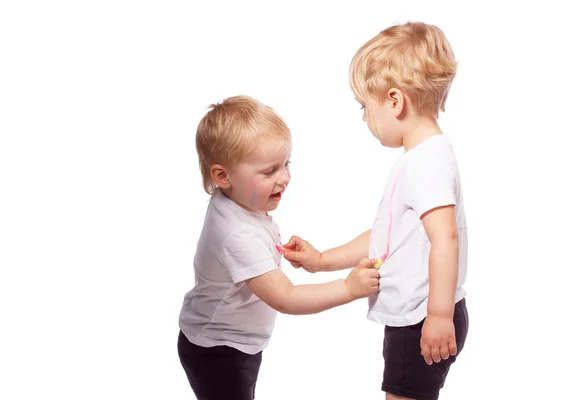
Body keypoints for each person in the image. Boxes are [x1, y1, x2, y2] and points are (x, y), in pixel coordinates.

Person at [283, 22, 469, 400]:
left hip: (420, 319)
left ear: (395, 101)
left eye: (365, 107)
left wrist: (438, 316)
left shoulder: (424, 164)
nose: (365, 118)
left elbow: (445, 239)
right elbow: (384, 239)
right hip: (421, 316)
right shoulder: (423, 158)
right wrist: (322, 261)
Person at [177, 95, 380, 400]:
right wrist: (348, 288)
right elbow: (285, 298)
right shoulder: (237, 235)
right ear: (222, 176)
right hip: (218, 350)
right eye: (269, 171)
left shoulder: (235, 202)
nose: (284, 177)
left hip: (234, 343)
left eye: (286, 164)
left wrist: (282, 251)